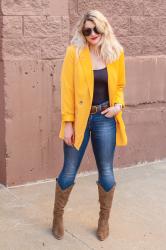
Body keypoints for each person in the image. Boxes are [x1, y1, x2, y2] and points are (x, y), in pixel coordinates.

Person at [52, 9, 127, 241]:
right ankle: (57, 217)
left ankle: (103, 221)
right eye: (87, 30)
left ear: (104, 27)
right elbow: (67, 90)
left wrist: (118, 106)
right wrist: (67, 123)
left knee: (106, 172)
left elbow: (120, 86)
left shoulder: (115, 53)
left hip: (105, 118)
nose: (92, 33)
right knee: (68, 171)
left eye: (96, 29)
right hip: (80, 120)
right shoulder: (74, 53)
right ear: (82, 33)